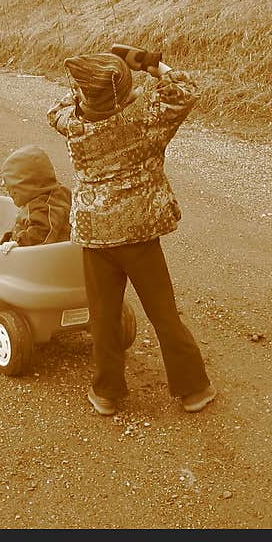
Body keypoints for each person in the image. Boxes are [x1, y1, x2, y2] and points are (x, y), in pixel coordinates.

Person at [47, 45, 217, 415]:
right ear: (125, 93)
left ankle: (107, 392)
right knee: (163, 313)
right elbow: (183, 89)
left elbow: (56, 110)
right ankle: (192, 390)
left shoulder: (74, 124)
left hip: (95, 236)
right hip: (139, 236)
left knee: (103, 316)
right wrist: (150, 67)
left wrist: (94, 87)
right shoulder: (143, 120)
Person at [0, 144, 72, 253]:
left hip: (45, 257)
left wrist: (19, 243)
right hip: (35, 248)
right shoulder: (45, 192)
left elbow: (42, 231)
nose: (2, 186)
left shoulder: (47, 207)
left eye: (12, 188)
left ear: (26, 185)